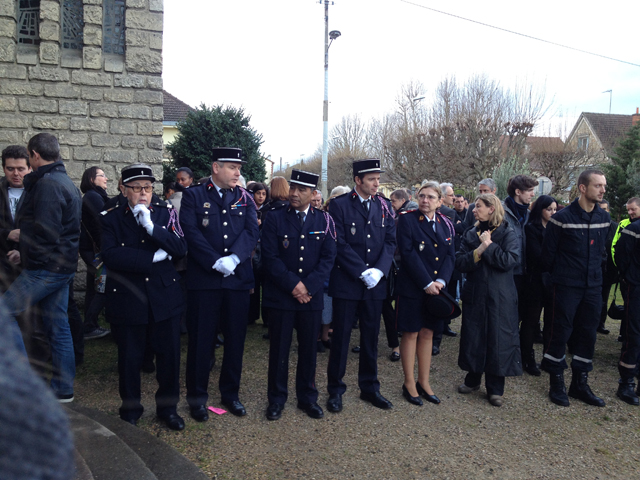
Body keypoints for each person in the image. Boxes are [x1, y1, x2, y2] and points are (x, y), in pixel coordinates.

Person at [101, 164, 187, 430]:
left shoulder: (165, 213)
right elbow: (110, 255)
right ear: (123, 189)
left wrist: (152, 228)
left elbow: (180, 247)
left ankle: (168, 409)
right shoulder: (111, 217)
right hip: (129, 296)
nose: (143, 193)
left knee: (169, 357)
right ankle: (130, 411)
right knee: (130, 359)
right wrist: (151, 259)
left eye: (147, 188)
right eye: (136, 188)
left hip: (164, 295)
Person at [0, 133, 81, 403]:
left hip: (47, 269)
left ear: (34, 155)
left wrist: (25, 253)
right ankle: (63, 390)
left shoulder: (48, 184)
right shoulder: (63, 181)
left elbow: (46, 234)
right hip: (62, 267)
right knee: (58, 327)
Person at [181, 147, 259, 421]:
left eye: (239, 168)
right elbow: (190, 231)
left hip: (237, 280)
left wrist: (235, 258)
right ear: (216, 168)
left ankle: (230, 394)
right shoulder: (194, 195)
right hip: (205, 280)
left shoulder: (245, 197)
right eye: (232, 167)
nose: (237, 173)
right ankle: (197, 398)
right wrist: (214, 261)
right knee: (201, 341)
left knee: (235, 340)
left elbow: (251, 231)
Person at [261, 170, 337, 420]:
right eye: (292, 188)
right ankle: (276, 399)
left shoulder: (324, 220)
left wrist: (308, 287)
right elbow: (270, 257)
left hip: (310, 298)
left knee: (308, 350)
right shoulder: (274, 218)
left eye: (301, 190)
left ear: (313, 194)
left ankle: (307, 397)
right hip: (282, 296)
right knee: (279, 350)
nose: (294, 193)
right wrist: (294, 285)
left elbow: (328, 257)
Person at [326, 159, 396, 413]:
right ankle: (335, 389)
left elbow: (390, 241)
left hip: (374, 284)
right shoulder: (339, 205)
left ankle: (369, 387)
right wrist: (361, 270)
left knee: (370, 338)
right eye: (372, 179)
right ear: (358, 180)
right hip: (347, 281)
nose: (377, 183)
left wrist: (379, 270)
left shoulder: (384, 206)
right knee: (341, 338)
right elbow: (338, 242)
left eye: (378, 178)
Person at [540, 169, 610, 407]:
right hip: (566, 286)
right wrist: (556, 281)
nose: (602, 190)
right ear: (582, 188)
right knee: (560, 331)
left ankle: (580, 384)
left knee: (588, 334)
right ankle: (556, 382)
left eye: (604, 186)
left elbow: (602, 253)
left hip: (593, 287)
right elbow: (547, 256)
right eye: (598, 185)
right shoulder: (562, 218)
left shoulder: (603, 218)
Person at [455, 193, 522, 407]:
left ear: (491, 208)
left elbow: (510, 260)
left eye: (478, 206)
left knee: (498, 339)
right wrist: (479, 250)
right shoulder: (471, 233)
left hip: (501, 296)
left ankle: (495, 388)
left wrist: (490, 246)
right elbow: (460, 261)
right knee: (474, 336)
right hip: (476, 293)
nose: (474, 210)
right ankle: (473, 379)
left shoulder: (507, 232)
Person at [395, 182, 455, 406]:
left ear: (440, 202)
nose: (425, 200)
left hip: (436, 289)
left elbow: (450, 255)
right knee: (411, 332)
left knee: (428, 333)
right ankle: (409, 383)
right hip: (413, 287)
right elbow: (408, 253)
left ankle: (424, 381)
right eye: (422, 196)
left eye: (430, 197)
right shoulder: (407, 220)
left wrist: (441, 281)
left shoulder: (446, 223)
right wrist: (426, 282)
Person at [502, 175, 539, 376]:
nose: (533, 194)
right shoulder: (501, 212)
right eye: (530, 190)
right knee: (509, 318)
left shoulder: (531, 215)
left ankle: (526, 356)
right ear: (518, 192)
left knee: (529, 318)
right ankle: (508, 356)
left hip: (528, 274)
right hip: (508, 274)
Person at [380, 189, 417, 363]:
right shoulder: (390, 219)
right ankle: (393, 344)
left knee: (394, 307)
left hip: (399, 268)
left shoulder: (403, 219)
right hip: (385, 268)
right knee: (386, 307)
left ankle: (398, 345)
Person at [522, 195, 557, 374]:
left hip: (553, 280)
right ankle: (527, 358)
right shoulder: (531, 228)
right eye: (549, 209)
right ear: (540, 210)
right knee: (531, 320)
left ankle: (548, 358)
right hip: (535, 281)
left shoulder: (556, 228)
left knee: (551, 321)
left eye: (555, 209)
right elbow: (537, 256)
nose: (553, 213)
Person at [79, 167, 111, 340]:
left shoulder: (95, 196)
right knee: (103, 285)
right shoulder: (93, 196)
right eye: (102, 175)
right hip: (94, 251)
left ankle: (89, 325)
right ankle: (90, 326)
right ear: (92, 179)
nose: (106, 178)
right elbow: (102, 225)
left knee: (94, 286)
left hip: (91, 250)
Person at [614, 200, 640, 405]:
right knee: (634, 334)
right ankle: (626, 382)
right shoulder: (633, 229)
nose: (630, 212)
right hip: (636, 286)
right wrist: (628, 277)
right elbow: (621, 253)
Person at [248, 182, 270, 325]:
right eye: (258, 193)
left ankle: (267, 318)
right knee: (253, 284)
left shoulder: (269, 210)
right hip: (252, 250)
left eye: (263, 194)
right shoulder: (249, 208)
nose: (261, 197)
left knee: (266, 285)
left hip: (264, 251)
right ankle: (252, 315)